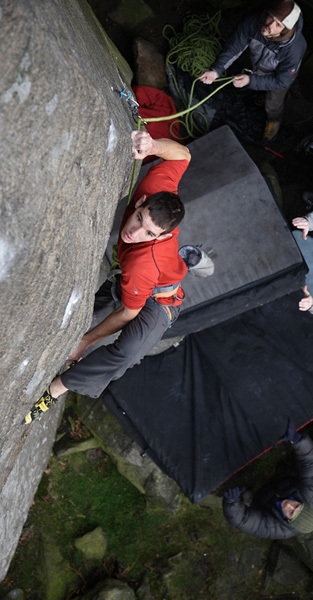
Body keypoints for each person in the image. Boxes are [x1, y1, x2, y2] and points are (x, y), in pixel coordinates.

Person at [23, 130, 191, 424]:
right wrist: (152, 145)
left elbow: (131, 312)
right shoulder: (155, 187)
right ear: (143, 202)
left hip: (160, 301)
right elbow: (183, 155)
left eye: (149, 233)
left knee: (125, 354)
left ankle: (58, 387)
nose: (134, 232)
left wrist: (86, 341)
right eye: (140, 217)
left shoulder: (144, 262)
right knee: (92, 305)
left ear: (163, 235)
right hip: (132, 281)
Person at [222, 420, 313, 539]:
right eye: (296, 506)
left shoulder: (274, 528)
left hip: (264, 501)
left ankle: (249, 502)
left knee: (243, 504)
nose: (289, 505)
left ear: (288, 521)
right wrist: (297, 440)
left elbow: (241, 521)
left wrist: (231, 502)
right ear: (304, 504)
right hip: (286, 484)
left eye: (291, 512)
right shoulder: (309, 493)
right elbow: (310, 461)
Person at [198, 0, 307, 141]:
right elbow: (235, 46)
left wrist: (251, 80)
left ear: (285, 30)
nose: (269, 25)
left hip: (278, 77)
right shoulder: (254, 21)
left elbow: (282, 81)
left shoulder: (294, 50)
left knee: (273, 103)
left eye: (278, 24)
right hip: (258, 65)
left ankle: (274, 121)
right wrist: (216, 70)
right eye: (270, 17)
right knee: (258, 85)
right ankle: (260, 91)